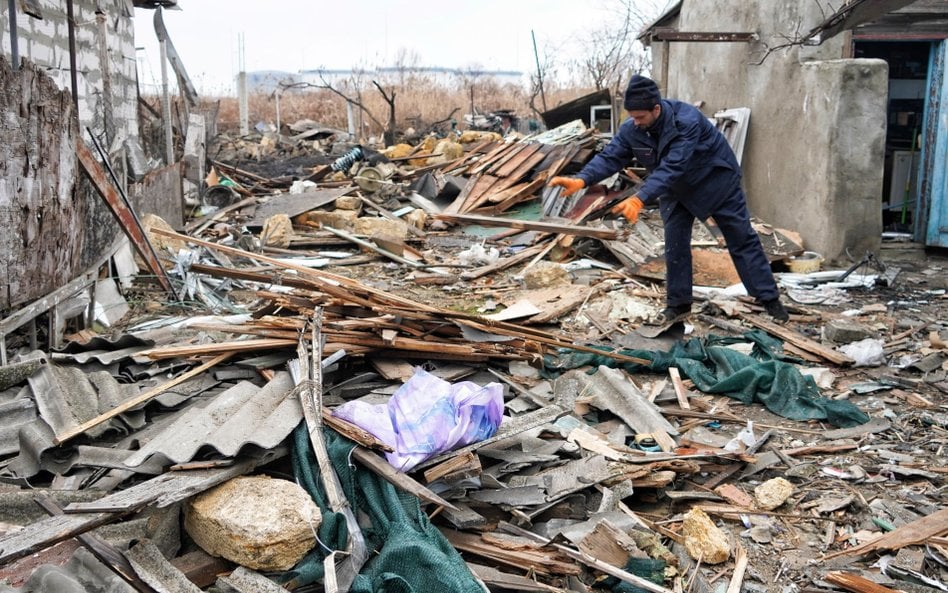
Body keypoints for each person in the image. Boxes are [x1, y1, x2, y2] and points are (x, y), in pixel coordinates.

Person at [549, 74, 789, 324]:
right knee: (675, 245)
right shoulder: (633, 127)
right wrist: (583, 179)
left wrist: (640, 197)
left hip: (715, 181)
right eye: (631, 116)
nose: (635, 122)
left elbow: (674, 165)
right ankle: (678, 305)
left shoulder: (686, 120)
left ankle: (770, 301)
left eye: (640, 117)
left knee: (741, 238)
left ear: (656, 108)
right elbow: (612, 156)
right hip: (674, 189)